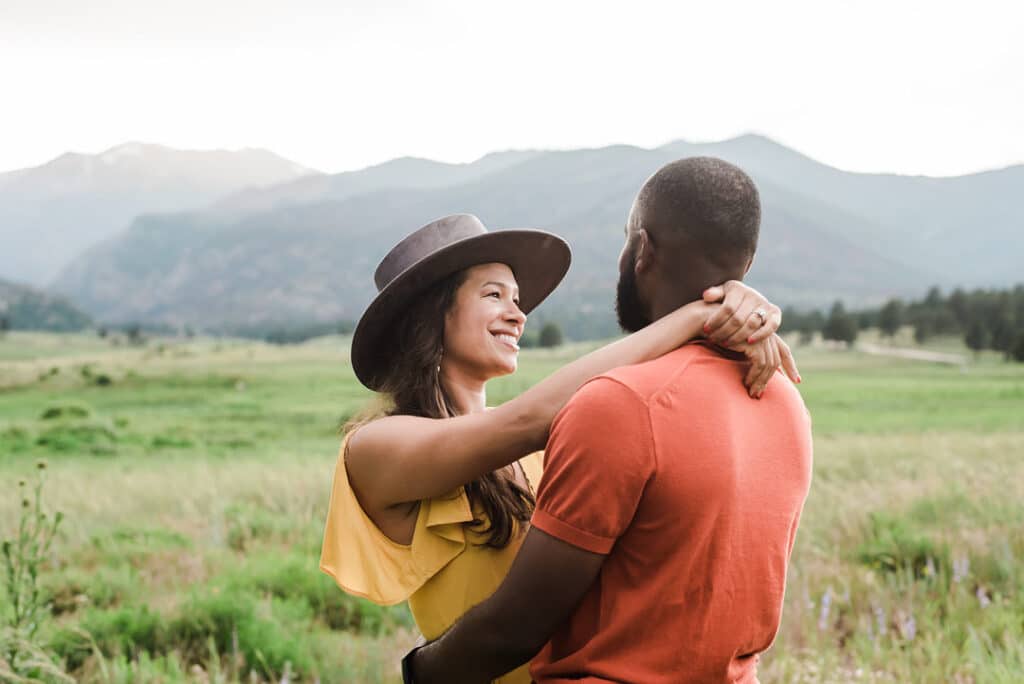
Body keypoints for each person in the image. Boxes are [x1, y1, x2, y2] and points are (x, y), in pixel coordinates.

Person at [320, 211, 797, 684]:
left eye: (517, 299)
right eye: (493, 296)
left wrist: (735, 321)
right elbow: (531, 417)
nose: (518, 314)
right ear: (430, 315)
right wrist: (698, 314)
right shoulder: (376, 447)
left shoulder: (536, 453)